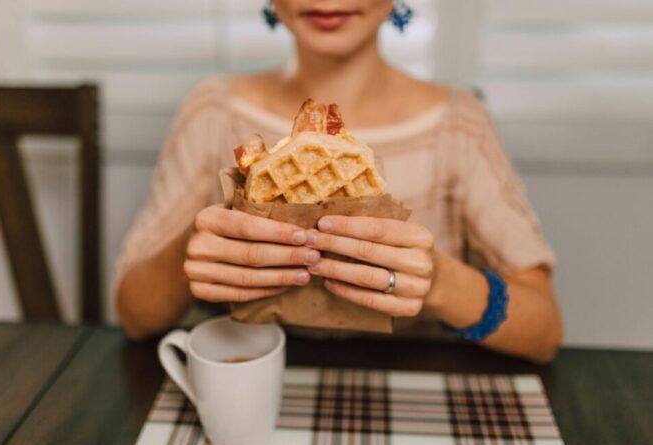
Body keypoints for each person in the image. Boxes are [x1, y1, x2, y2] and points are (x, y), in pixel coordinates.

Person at [113, 0, 562, 363]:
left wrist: (441, 284)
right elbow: (133, 314)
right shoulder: (213, 111)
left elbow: (544, 331)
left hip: (411, 378)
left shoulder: (460, 124)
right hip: (253, 373)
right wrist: (186, 255)